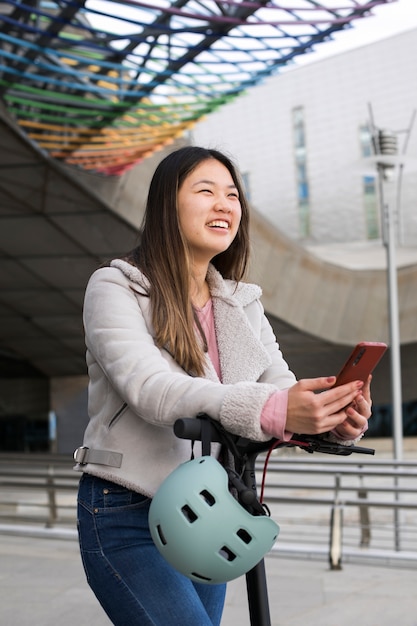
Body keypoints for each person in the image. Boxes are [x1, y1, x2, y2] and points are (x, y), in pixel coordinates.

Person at [74, 146, 372, 626]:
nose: (225, 205)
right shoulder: (116, 287)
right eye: (206, 191)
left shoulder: (240, 303)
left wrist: (331, 419)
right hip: (125, 510)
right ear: (166, 206)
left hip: (210, 512)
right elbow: (153, 390)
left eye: (233, 194)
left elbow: (278, 386)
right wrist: (271, 409)